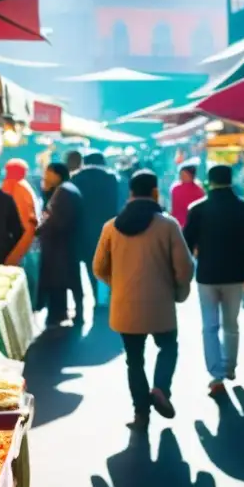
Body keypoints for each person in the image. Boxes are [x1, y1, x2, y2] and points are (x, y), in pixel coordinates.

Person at [93, 170, 194, 428]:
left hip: (125, 307)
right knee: (168, 347)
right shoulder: (168, 225)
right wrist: (178, 293)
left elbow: (99, 267)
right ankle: (160, 388)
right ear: (155, 192)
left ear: (130, 194)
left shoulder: (111, 227)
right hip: (161, 305)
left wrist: (120, 286)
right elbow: (185, 267)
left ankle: (141, 413)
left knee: (134, 360)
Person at [183, 165, 244, 395]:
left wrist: (183, 274)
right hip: (236, 276)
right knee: (231, 325)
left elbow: (186, 244)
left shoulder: (197, 209)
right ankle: (230, 367)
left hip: (206, 276)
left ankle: (216, 375)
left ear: (209, 182)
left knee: (209, 326)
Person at [71, 152, 121, 305]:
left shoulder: (76, 179)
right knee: (108, 264)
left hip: (83, 230)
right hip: (108, 227)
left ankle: (96, 296)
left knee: (90, 264)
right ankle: (107, 296)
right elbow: (117, 204)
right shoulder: (112, 178)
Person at [37, 162, 84, 327]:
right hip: (65, 244)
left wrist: (41, 228)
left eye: (48, 173)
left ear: (57, 174)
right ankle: (64, 313)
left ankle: (60, 314)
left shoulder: (64, 191)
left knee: (61, 280)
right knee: (67, 280)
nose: (45, 176)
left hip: (60, 245)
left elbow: (56, 220)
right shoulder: (65, 189)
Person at [1, 159, 41, 274]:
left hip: (22, 250)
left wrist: (14, 256)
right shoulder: (23, 186)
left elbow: (27, 227)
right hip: (25, 249)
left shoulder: (18, 188)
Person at [169, 162, 205, 229]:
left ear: (192, 175)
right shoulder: (175, 189)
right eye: (180, 174)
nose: (181, 177)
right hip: (178, 223)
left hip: (194, 223)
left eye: (184, 174)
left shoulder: (199, 190)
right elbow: (174, 209)